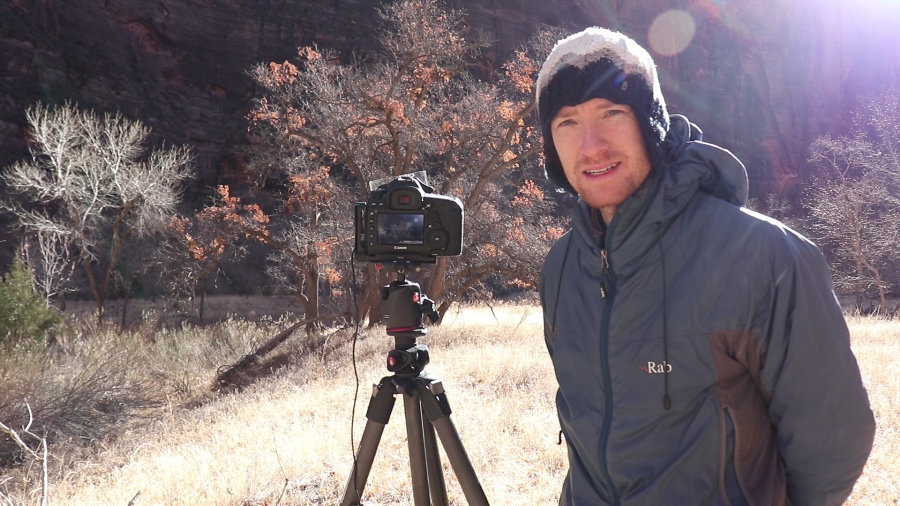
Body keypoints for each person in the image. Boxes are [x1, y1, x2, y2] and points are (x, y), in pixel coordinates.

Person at [536, 27, 875, 506]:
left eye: (611, 113)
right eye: (567, 123)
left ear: (650, 124)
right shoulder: (562, 267)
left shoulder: (764, 257)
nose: (591, 146)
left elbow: (834, 440)